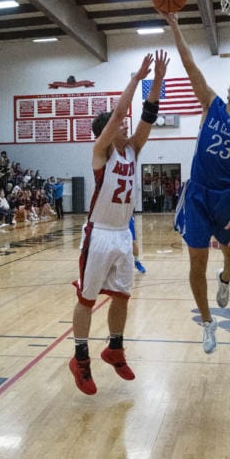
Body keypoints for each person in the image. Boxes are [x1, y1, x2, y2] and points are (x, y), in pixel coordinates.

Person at [163, 12, 230, 354]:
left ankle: (225, 279)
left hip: (228, 198)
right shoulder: (212, 105)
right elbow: (190, 64)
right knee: (196, 262)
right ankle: (208, 323)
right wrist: (175, 25)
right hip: (197, 196)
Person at [68, 51, 163, 395]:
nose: (126, 125)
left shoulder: (133, 150)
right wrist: (137, 79)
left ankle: (115, 348)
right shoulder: (101, 151)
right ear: (107, 132)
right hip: (99, 234)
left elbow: (148, 117)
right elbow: (121, 112)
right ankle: (80, 358)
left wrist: (158, 82)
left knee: (122, 296)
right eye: (120, 124)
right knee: (87, 299)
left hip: (122, 234)